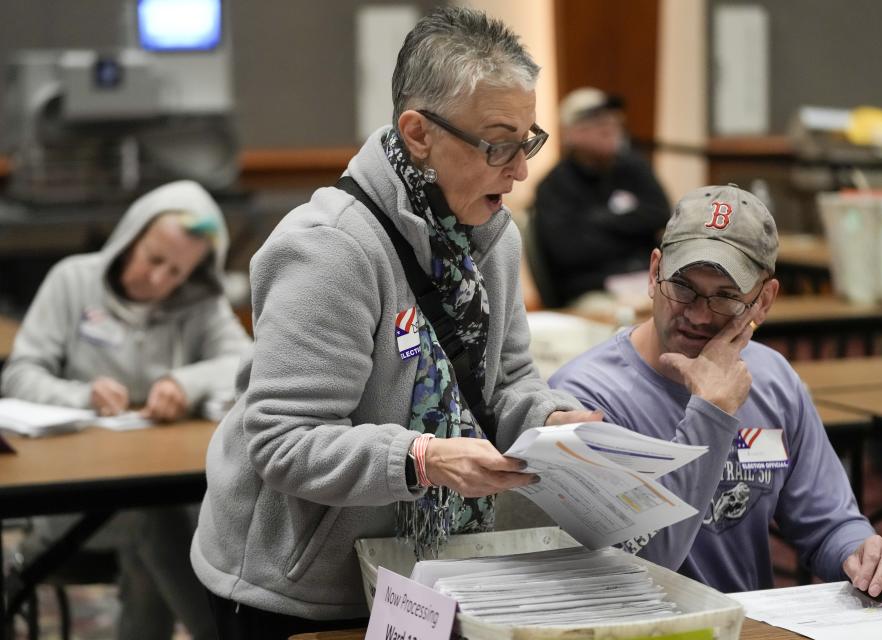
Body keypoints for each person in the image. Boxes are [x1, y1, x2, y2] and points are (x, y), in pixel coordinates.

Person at [190, 8, 595, 639]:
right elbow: (282, 441)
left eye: (529, 140)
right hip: (298, 589)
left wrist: (552, 422)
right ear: (418, 132)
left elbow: (507, 380)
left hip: (421, 572)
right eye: (497, 144)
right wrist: (422, 459)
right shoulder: (330, 249)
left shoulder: (494, 239)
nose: (519, 169)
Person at [549, 184, 882, 596]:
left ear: (764, 301)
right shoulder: (586, 398)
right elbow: (641, 565)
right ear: (655, 274)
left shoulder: (773, 378)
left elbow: (829, 522)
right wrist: (711, 410)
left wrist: (861, 552)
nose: (697, 313)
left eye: (725, 297)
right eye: (683, 287)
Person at [1, 179, 252, 640]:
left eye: (176, 272)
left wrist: (186, 382)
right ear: (129, 237)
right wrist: (81, 395)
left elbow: (247, 362)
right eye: (154, 260)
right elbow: (18, 375)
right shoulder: (73, 280)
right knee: (156, 523)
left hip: (161, 492)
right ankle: (217, 635)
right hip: (73, 501)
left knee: (172, 525)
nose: (160, 281)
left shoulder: (198, 300)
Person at [532, 87, 670, 307]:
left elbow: (660, 214)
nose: (609, 125)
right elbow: (570, 252)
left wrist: (600, 220)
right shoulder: (554, 186)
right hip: (592, 290)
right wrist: (633, 229)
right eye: (595, 120)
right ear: (571, 133)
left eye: (612, 118)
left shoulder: (632, 167)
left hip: (644, 278)